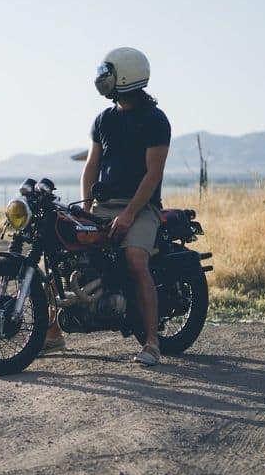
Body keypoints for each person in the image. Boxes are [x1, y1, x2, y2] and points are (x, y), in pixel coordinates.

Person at [43, 47, 170, 366]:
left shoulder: (154, 120)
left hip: (142, 208)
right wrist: (85, 207)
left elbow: (153, 173)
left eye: (108, 72)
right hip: (103, 205)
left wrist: (129, 214)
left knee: (135, 259)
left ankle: (153, 343)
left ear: (126, 75)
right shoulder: (103, 120)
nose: (102, 78)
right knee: (59, 252)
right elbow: (91, 166)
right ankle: (53, 331)